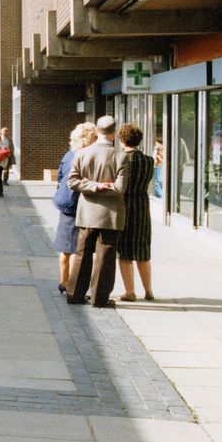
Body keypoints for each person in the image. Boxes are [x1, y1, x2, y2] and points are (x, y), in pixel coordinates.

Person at [67, 115, 128, 308]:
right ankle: (99, 298)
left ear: (96, 132)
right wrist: (104, 186)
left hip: (87, 213)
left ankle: (74, 293)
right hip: (110, 215)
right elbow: (120, 188)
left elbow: (72, 182)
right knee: (106, 257)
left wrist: (93, 185)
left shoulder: (82, 154)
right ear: (115, 133)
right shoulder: (120, 156)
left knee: (82, 254)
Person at [53, 122, 97, 296]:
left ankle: (63, 281)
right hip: (77, 203)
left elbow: (60, 176)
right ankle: (72, 285)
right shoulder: (86, 156)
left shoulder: (69, 154)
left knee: (65, 247)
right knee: (76, 249)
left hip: (64, 202)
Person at [117, 124, 155, 301]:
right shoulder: (149, 160)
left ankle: (130, 291)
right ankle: (148, 290)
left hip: (125, 206)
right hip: (142, 206)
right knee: (143, 251)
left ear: (122, 140)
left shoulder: (121, 159)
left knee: (125, 252)